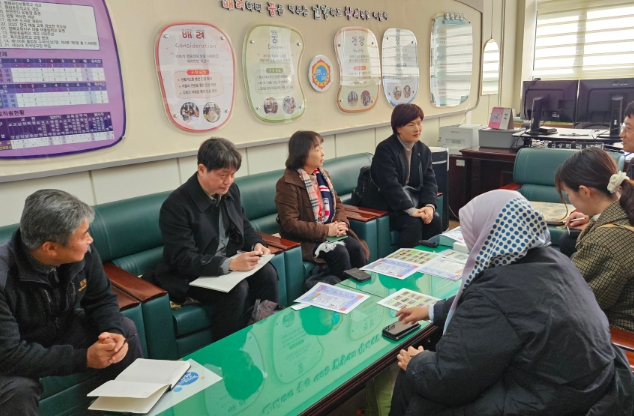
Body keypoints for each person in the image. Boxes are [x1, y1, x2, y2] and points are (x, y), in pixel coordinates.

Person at [389, 190, 633, 415]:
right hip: (594, 387)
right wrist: (433, 310)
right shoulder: (554, 260)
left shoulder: (494, 293)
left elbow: (448, 381)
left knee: (414, 387)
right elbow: (509, 305)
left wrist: (417, 363)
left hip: (547, 401)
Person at [0, 190, 143, 415]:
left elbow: (101, 299)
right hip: (15, 349)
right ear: (50, 247)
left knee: (124, 331)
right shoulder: (3, 277)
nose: (90, 239)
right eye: (84, 235)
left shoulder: (82, 253)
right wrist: (83, 359)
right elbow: (9, 354)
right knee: (18, 391)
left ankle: (133, 410)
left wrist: (112, 331)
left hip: (61, 328)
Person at [150, 138, 279, 341]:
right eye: (223, 175)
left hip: (226, 266)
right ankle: (228, 348)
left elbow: (244, 225)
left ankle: (263, 334)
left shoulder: (231, 191)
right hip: (190, 275)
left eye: (233, 175)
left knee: (268, 273)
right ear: (202, 169)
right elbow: (183, 259)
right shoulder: (176, 205)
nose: (229, 181)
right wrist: (229, 264)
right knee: (237, 289)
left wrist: (257, 244)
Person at [555, 147, 634, 336]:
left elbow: (575, 303)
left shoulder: (606, 243)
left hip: (630, 332)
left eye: (568, 193)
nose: (569, 199)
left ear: (585, 191)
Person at [560, 96, 634, 256]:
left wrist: (596, 223)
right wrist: (591, 216)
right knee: (569, 239)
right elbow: (622, 204)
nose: (622, 134)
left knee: (572, 244)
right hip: (633, 232)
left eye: (628, 129)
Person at [275, 131, 368, 278]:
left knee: (356, 247)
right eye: (317, 149)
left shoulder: (323, 176)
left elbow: (337, 204)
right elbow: (290, 224)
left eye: (321, 148)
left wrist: (340, 224)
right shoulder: (287, 184)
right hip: (305, 239)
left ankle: (364, 287)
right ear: (302, 154)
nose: (322, 153)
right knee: (339, 252)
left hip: (329, 232)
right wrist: (325, 230)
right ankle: (344, 290)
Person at [366, 103, 441, 248]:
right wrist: (411, 210)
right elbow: (390, 185)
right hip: (387, 206)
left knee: (434, 219)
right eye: (411, 125)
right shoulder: (385, 149)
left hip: (412, 202)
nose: (417, 128)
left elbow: (430, 181)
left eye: (419, 123)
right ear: (398, 128)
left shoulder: (423, 150)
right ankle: (406, 260)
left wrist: (429, 206)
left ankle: (431, 259)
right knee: (413, 223)